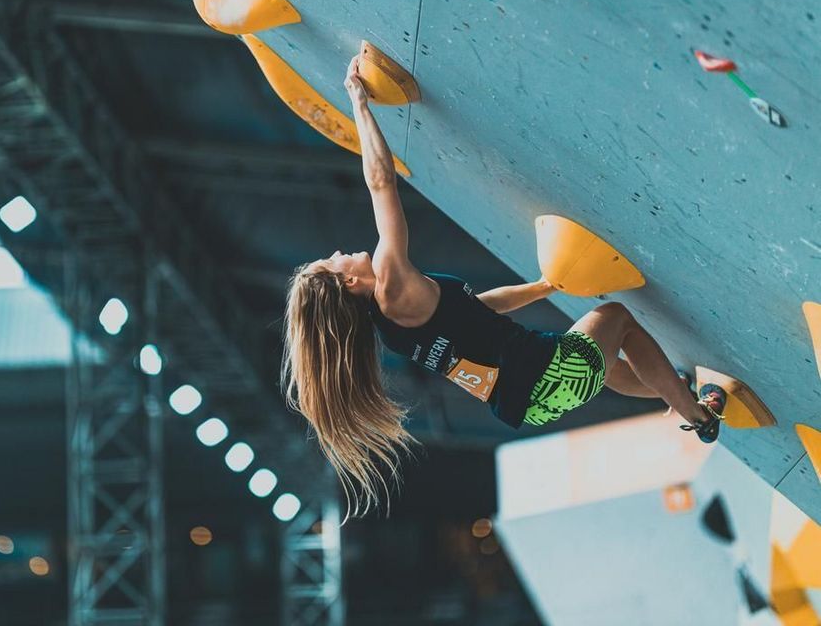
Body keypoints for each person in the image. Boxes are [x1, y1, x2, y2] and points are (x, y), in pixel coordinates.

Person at [281, 55, 725, 519]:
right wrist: (359, 102)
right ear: (349, 281)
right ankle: (698, 418)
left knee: (608, 367)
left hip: (530, 397)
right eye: (332, 262)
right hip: (543, 375)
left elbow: (479, 309)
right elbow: (380, 182)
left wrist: (542, 286)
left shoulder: (393, 323)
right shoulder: (390, 284)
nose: (338, 252)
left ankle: (682, 395)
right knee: (617, 320)